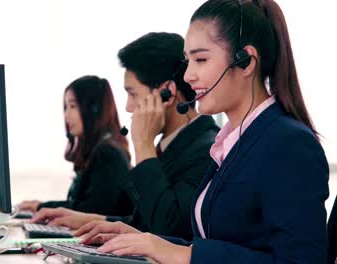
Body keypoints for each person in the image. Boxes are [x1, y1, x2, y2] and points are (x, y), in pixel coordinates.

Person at [72, 0, 330, 263]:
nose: (188, 75)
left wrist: (180, 253)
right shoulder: (231, 143)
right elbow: (218, 243)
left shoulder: (289, 143)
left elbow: (302, 261)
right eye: (188, 61)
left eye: (201, 59)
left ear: (246, 61)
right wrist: (146, 240)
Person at [31, 32, 219, 240]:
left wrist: (143, 144)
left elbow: (168, 229)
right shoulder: (172, 146)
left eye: (133, 94)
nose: (129, 107)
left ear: (167, 93)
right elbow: (144, 222)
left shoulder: (207, 151)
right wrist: (89, 220)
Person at [17, 75, 133, 216]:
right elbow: (81, 206)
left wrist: (42, 207)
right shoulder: (97, 151)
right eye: (66, 107)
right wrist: (41, 206)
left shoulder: (108, 153)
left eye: (73, 106)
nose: (66, 115)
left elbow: (91, 211)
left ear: (94, 109)